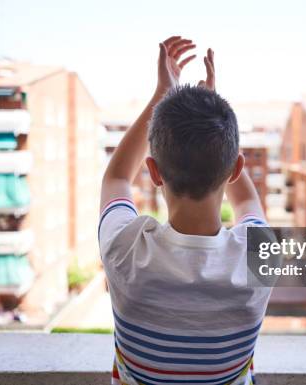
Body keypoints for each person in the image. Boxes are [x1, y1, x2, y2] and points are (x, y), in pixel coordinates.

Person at [99, 36, 271, 385]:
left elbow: (116, 177)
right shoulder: (260, 256)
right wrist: (213, 114)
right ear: (236, 169)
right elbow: (248, 202)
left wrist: (163, 94)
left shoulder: (125, 249)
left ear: (154, 171)